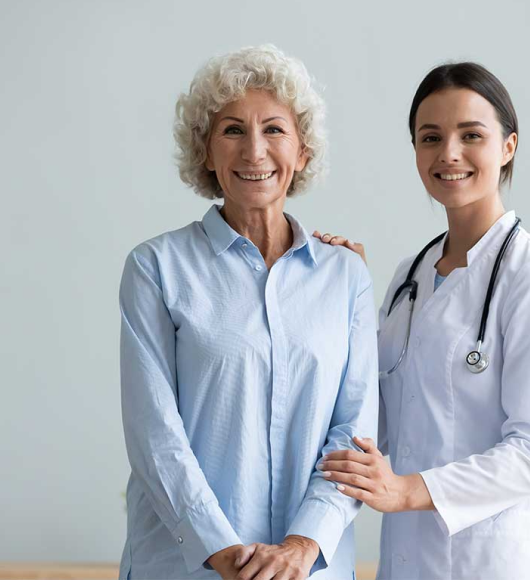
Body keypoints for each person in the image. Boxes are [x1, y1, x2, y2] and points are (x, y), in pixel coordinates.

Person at [315, 62, 530, 580]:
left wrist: (406, 490)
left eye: (471, 135)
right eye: (431, 137)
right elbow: (379, 415)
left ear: (508, 146)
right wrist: (345, 294)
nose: (449, 154)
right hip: (408, 557)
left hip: (495, 560)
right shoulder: (409, 276)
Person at [119, 45, 377, 580]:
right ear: (206, 153)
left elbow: (353, 432)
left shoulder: (346, 276)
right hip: (193, 569)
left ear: (302, 152)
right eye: (232, 130)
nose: (254, 150)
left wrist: (301, 547)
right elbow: (155, 436)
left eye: (274, 130)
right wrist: (227, 556)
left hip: (312, 570)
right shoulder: (156, 268)